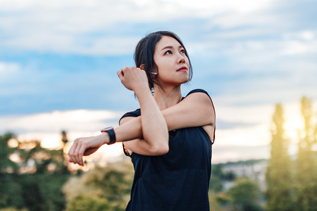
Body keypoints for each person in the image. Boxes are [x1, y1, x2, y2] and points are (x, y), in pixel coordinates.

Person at [68, 31, 216, 211]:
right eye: (168, 52)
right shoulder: (128, 121)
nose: (181, 58)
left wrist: (105, 137)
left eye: (182, 51)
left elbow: (159, 125)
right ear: (149, 70)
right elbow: (159, 144)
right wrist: (142, 88)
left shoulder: (200, 102)